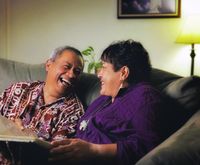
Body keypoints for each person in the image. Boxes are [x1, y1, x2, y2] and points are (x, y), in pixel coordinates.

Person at [49, 40, 170, 165]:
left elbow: (147, 145)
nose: (99, 74)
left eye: (104, 68)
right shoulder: (104, 98)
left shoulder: (145, 96)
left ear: (123, 73)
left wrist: (94, 150)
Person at [0, 46, 85, 164]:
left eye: (77, 72)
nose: (71, 75)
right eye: (66, 67)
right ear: (48, 65)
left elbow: (56, 154)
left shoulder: (74, 113)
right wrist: (9, 128)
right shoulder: (18, 90)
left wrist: (25, 137)